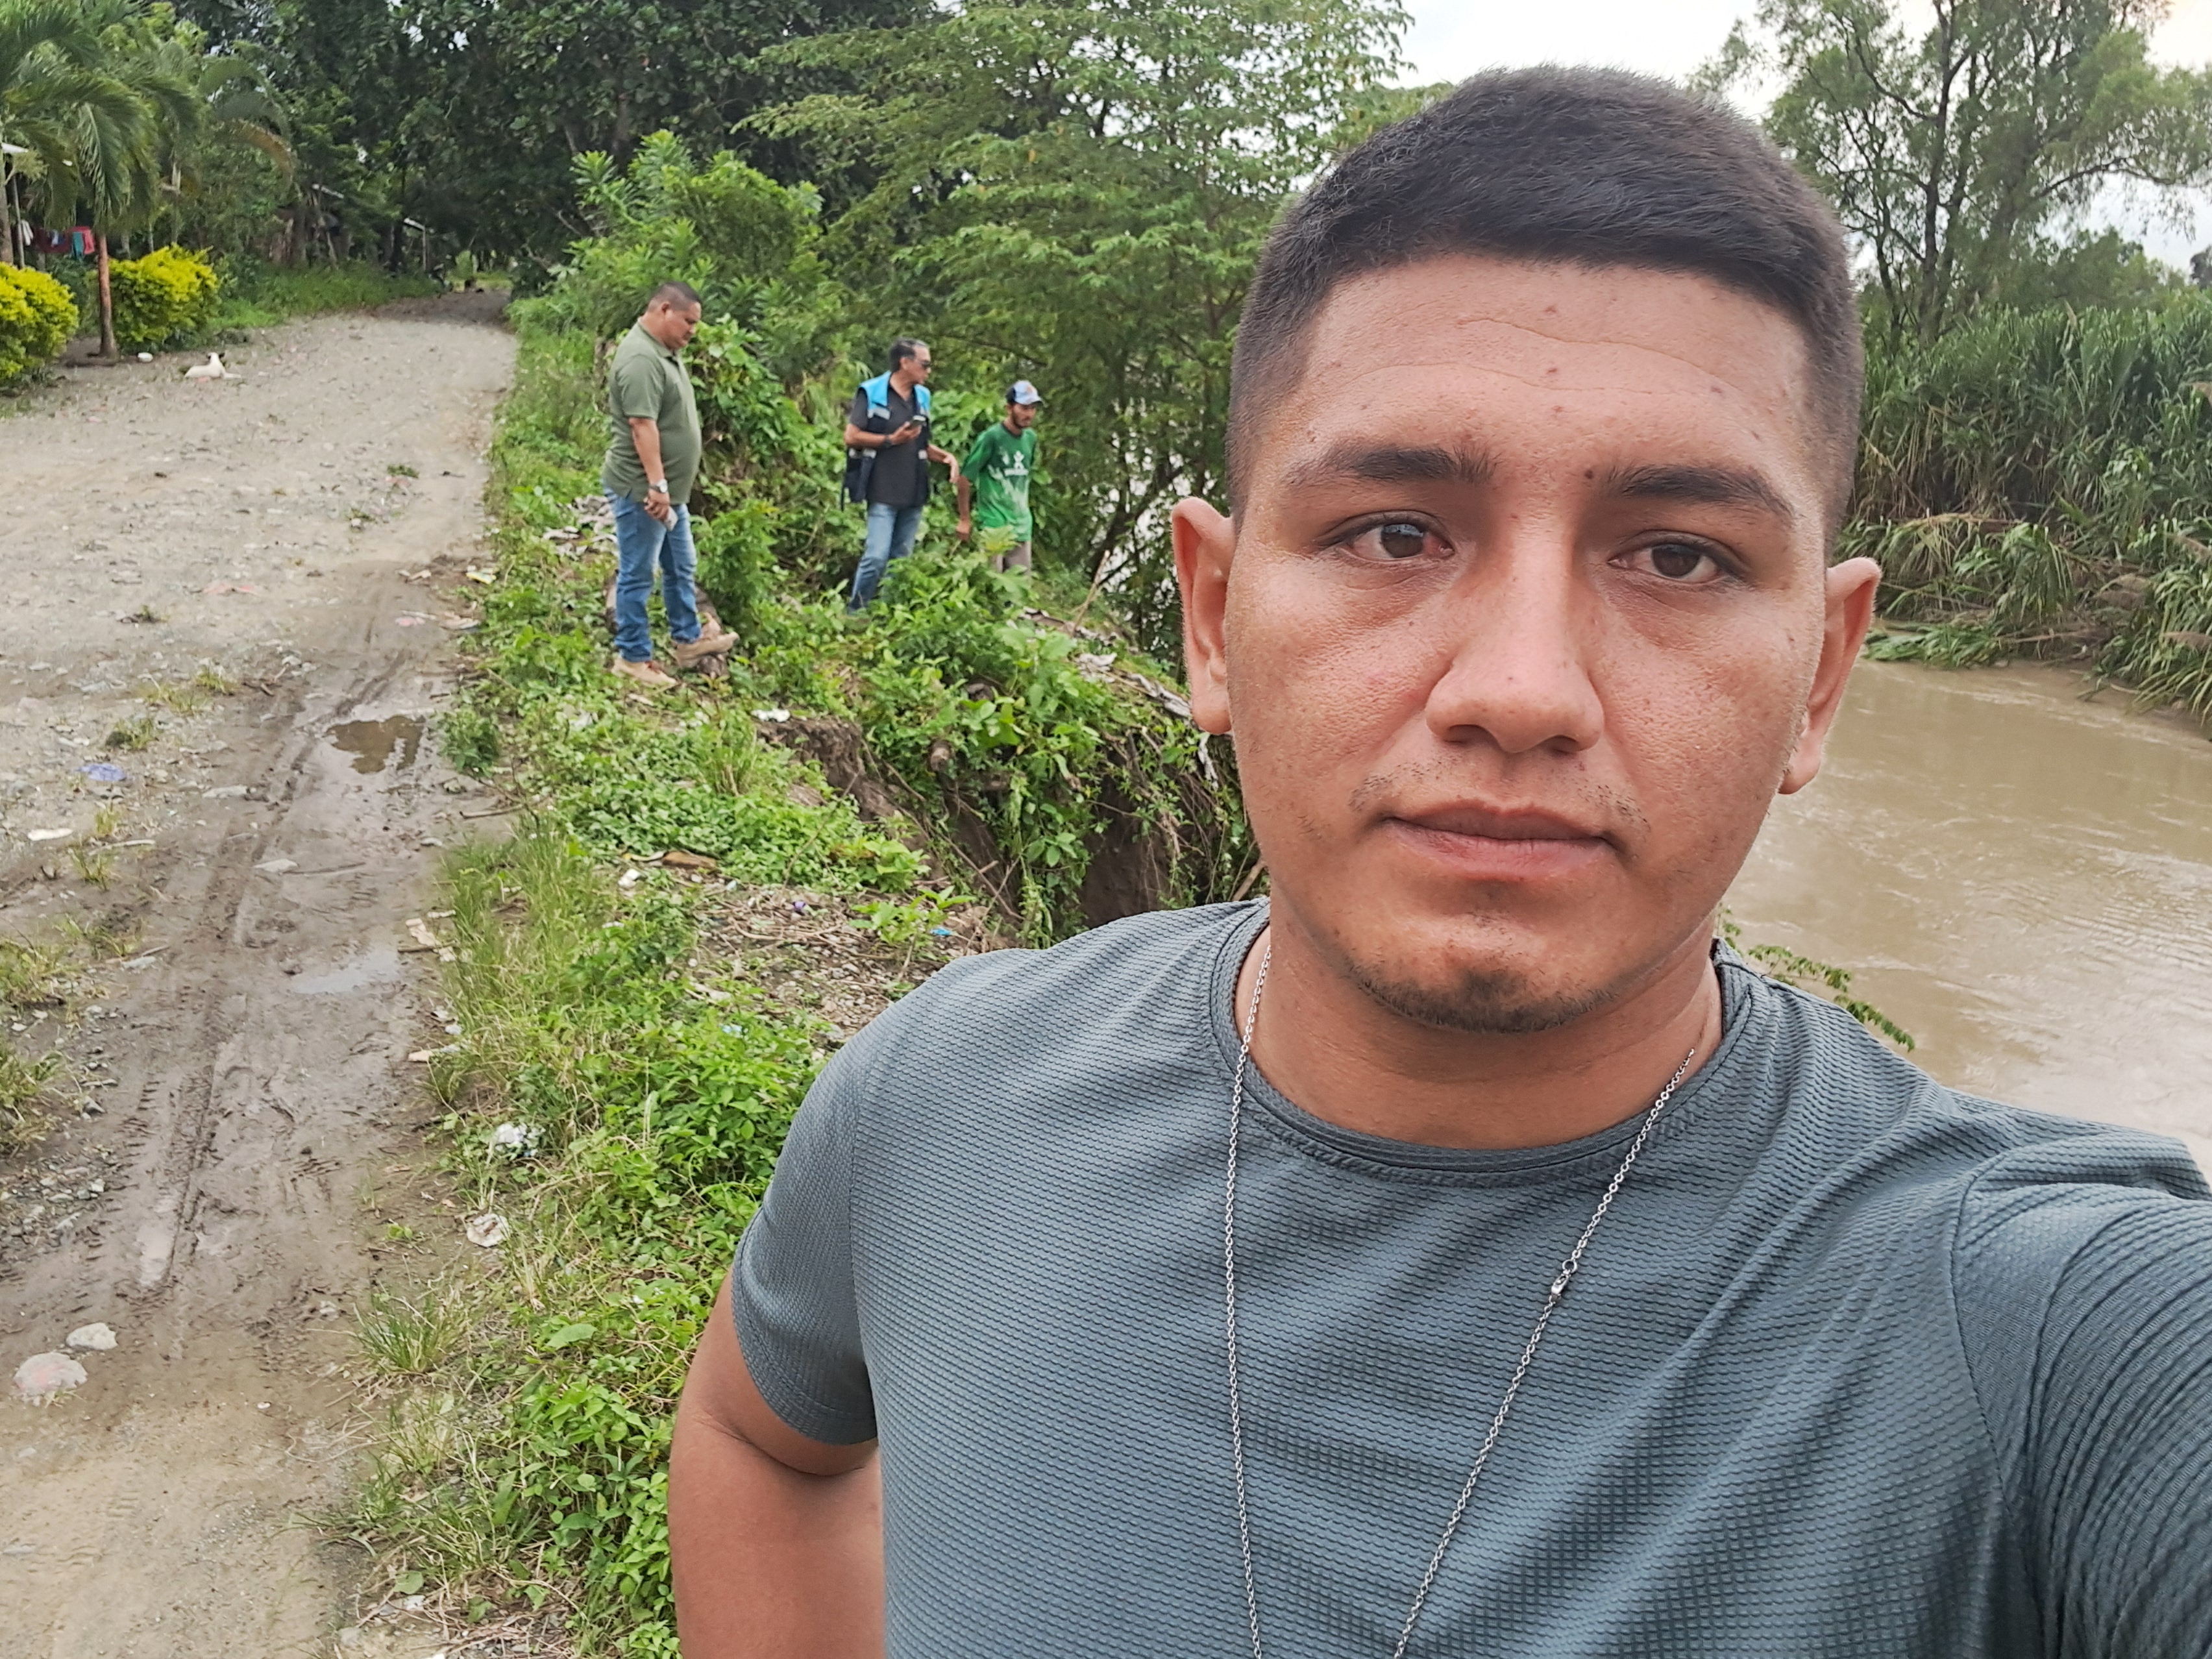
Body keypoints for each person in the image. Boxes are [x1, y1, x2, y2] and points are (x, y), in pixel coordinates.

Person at [670, 69, 2212, 1659]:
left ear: (1817, 677)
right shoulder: (936, 1100)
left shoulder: (2043, 1335)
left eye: (1676, 556)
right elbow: (758, 1440)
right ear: (1213, 620)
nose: (1521, 691)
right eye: (1395, 533)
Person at [602, 280, 733, 689]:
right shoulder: (641, 358)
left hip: (668, 493)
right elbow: (641, 425)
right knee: (638, 573)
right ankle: (632, 658)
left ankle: (688, 639)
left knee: (681, 565)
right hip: (645, 492)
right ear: (663, 310)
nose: (693, 331)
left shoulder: (664, 351)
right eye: (688, 322)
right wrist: (657, 485)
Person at [844, 338, 961, 610]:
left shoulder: (923, 397)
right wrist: (889, 440)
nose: (929, 371)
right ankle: (856, 610)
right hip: (882, 489)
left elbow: (920, 443)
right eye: (925, 364)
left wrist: (946, 457)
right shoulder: (872, 392)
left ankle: (887, 613)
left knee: (901, 560)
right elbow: (851, 436)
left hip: (914, 490)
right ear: (905, 363)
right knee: (876, 556)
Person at [957, 380, 1043, 572]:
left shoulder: (1031, 439)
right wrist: (965, 519)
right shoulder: (992, 437)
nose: (1029, 414)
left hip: (1022, 527)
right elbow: (965, 478)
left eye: (1033, 408)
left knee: (1020, 587)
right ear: (1009, 408)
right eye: (1024, 408)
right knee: (990, 583)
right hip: (994, 525)